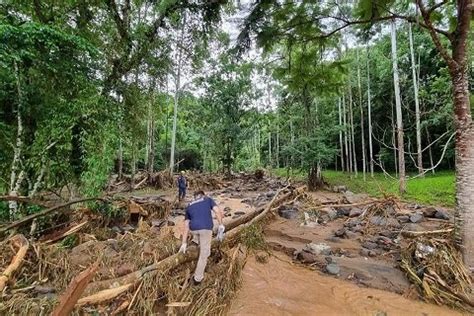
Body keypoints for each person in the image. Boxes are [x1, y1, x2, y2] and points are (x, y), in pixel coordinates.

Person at [178, 190, 225, 285]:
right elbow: (217, 211)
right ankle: (197, 279)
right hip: (205, 229)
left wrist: (184, 243)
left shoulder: (189, 205)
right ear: (203, 195)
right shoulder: (207, 199)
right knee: (205, 253)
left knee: (197, 234)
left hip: (193, 229)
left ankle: (195, 241)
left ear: (195, 197)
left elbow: (186, 226)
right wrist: (221, 225)